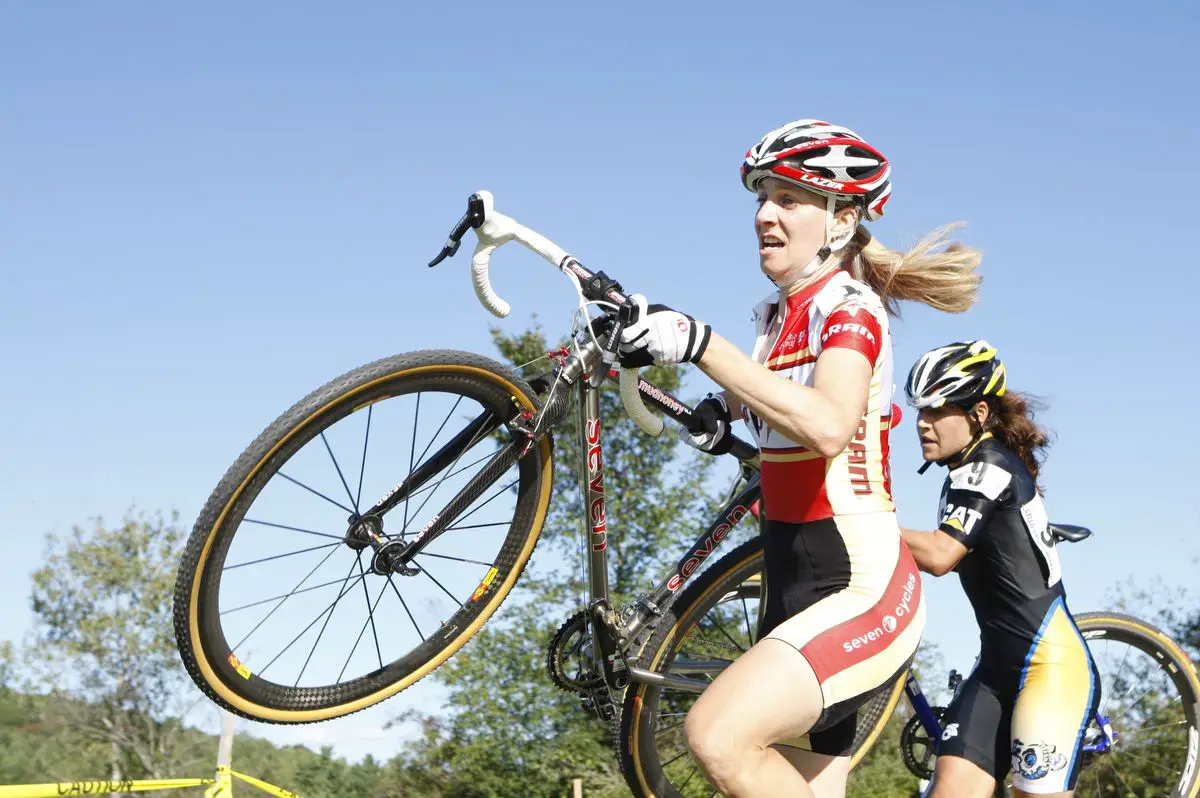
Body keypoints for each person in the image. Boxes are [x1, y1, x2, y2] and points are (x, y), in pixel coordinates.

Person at [616, 119, 981, 798]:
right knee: (808, 787)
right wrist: (670, 372)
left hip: (862, 589)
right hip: (790, 583)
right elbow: (744, 395)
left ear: (842, 220)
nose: (764, 214)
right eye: (761, 196)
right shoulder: (773, 317)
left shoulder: (851, 310)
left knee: (715, 735)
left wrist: (699, 341)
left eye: (788, 198)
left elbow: (827, 424)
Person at [900, 340, 1101, 798]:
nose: (922, 423)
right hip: (994, 670)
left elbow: (939, 555)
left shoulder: (988, 465)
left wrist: (855, 523)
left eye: (936, 411)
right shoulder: (960, 469)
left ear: (978, 413)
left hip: (1049, 669)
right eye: (919, 411)